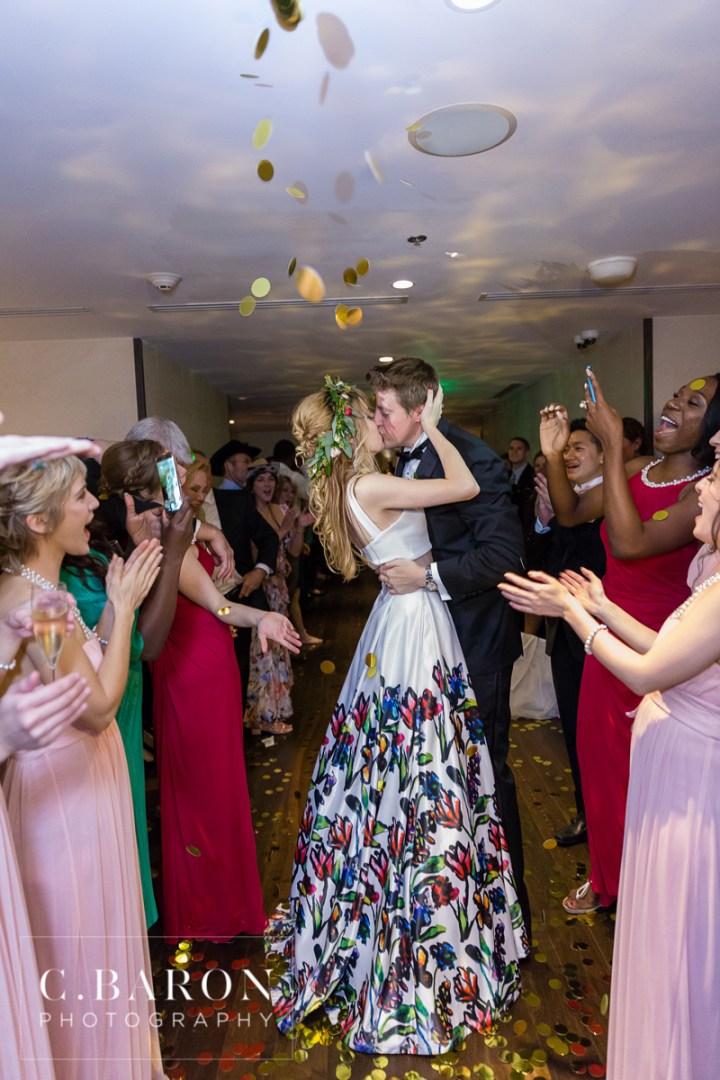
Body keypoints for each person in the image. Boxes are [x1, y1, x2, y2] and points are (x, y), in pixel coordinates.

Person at [265, 376, 527, 1056]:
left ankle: (391, 897)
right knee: (422, 764)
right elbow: (465, 489)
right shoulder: (370, 487)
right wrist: (438, 426)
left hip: (406, 617)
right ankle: (420, 921)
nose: (379, 421)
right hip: (413, 624)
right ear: (350, 431)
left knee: (401, 761)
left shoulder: (359, 486)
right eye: (368, 414)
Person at [499, 454, 720, 1079]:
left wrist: (573, 618)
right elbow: (669, 649)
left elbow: (648, 672)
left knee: (684, 942)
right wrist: (599, 605)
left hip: (696, 791)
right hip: (677, 778)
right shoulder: (712, 579)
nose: (700, 485)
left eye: (716, 474)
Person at [0, 454, 165, 1079]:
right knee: (77, 953)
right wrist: (122, 609)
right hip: (66, 795)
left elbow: (76, 668)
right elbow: (96, 709)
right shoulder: (38, 604)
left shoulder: (35, 591)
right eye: (80, 497)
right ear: (40, 519)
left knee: (73, 956)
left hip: (69, 781)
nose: (95, 506)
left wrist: (111, 614)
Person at [103, 440, 301, 943]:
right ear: (153, 489)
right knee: (207, 794)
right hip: (198, 670)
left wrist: (206, 530)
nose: (190, 495)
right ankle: (216, 913)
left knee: (204, 791)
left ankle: (208, 908)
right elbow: (220, 608)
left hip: (192, 666)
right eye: (174, 481)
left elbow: (182, 511)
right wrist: (265, 618)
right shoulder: (166, 546)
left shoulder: (156, 536)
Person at [540, 368, 720, 912]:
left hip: (666, 646)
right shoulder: (638, 470)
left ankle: (647, 887)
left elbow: (629, 542)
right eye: (677, 394)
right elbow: (570, 511)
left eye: (694, 404)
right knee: (599, 767)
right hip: (608, 628)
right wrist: (553, 457)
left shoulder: (703, 493)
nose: (674, 404)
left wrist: (613, 445)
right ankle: (607, 876)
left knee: (644, 776)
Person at [367, 357, 530, 936]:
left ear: (420, 410)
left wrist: (427, 577)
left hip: (475, 641)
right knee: (438, 780)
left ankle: (506, 923)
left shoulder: (472, 457)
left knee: (484, 775)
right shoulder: (405, 457)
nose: (378, 422)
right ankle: (447, 912)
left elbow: (503, 556)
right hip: (428, 645)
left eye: (384, 411)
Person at [534, 421, 606, 846]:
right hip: (564, 637)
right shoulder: (564, 503)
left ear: (603, 454)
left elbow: (595, 561)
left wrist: (565, 515)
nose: (570, 457)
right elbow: (539, 570)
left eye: (578, 448)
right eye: (565, 452)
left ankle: (610, 817)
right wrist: (545, 523)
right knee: (575, 733)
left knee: (602, 734)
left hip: (603, 634)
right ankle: (586, 813)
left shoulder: (613, 499)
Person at [210, 439, 280, 690]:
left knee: (241, 662)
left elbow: (269, 537)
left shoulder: (241, 500)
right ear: (228, 466)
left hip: (238, 594)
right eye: (245, 463)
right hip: (200, 598)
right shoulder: (210, 501)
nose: (249, 468)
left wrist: (260, 571)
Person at [244, 462, 304, 735]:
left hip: (279, 587)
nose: (267, 485)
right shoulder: (249, 514)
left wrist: (299, 526)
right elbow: (259, 552)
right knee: (264, 652)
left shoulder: (278, 509)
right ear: (252, 485)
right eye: (261, 480)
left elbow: (292, 550)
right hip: (262, 588)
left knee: (279, 650)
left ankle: (276, 709)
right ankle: (262, 716)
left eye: (271, 480)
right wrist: (283, 529)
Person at [507, 436, 536, 537]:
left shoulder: (533, 476)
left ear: (527, 453)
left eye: (519, 449)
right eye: (511, 448)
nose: (514, 452)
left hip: (524, 530)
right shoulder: (504, 475)